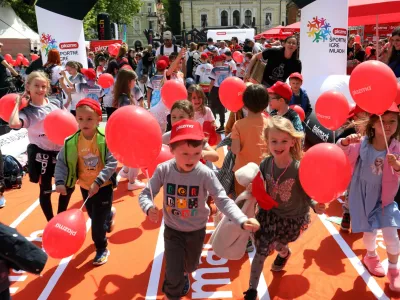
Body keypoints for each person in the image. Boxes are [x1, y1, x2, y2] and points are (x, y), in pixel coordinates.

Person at [139, 119, 260, 300]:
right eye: (185, 153)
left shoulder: (204, 173)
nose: (191, 159)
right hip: (172, 230)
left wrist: (242, 220)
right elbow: (145, 194)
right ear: (172, 150)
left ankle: (185, 273)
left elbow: (222, 200)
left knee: (191, 265)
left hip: (196, 231)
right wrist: (148, 208)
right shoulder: (164, 170)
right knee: (173, 270)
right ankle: (172, 292)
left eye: (196, 153)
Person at [243, 116, 326, 300]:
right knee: (262, 250)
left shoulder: (298, 168)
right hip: (269, 215)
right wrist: (252, 187)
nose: (278, 145)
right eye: (274, 141)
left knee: (278, 245)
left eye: (283, 141)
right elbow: (260, 185)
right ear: (267, 141)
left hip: (292, 219)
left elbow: (307, 193)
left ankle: (284, 252)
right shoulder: (265, 164)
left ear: (292, 142)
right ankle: (251, 290)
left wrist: (315, 205)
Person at [337, 103, 400, 292]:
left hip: (385, 198)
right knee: (369, 233)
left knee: (391, 235)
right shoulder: (362, 143)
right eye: (383, 121)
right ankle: (370, 256)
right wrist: (345, 143)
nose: (387, 125)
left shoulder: (396, 147)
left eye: (392, 121)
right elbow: (341, 155)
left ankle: (394, 270)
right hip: (363, 195)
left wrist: (397, 165)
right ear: (373, 124)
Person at [55, 99, 117, 266]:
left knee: (96, 226)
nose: (84, 122)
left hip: (103, 187)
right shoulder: (72, 141)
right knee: (93, 215)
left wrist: (98, 181)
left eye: (89, 119)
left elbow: (112, 162)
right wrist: (60, 182)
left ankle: (102, 248)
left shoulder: (104, 138)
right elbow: (62, 162)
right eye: (80, 118)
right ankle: (109, 216)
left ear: (98, 119)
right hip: (84, 187)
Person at [8, 71, 70, 221]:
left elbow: (66, 114)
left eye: (44, 86)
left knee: (68, 186)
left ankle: (61, 216)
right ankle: (51, 221)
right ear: (28, 86)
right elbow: (14, 123)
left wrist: (64, 86)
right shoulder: (27, 111)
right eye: (37, 86)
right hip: (42, 155)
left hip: (61, 152)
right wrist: (17, 104)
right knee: (46, 189)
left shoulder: (55, 102)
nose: (40, 89)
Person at [231, 84, 269, 197]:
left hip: (243, 173)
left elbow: (235, 150)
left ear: (245, 104)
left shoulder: (238, 125)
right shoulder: (270, 123)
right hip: (263, 171)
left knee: (242, 202)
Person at [112, 69, 146, 191]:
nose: (135, 83)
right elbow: (128, 116)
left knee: (130, 153)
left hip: (126, 130)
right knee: (136, 154)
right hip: (130, 130)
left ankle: (126, 171)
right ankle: (132, 181)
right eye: (134, 80)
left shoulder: (123, 96)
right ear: (128, 82)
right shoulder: (125, 98)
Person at [209, 55, 232, 132]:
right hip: (224, 89)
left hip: (215, 89)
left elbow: (212, 81)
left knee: (212, 106)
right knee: (221, 107)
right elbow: (229, 79)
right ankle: (222, 124)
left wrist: (209, 90)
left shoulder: (214, 69)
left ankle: (214, 123)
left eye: (215, 61)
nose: (215, 63)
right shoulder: (228, 68)